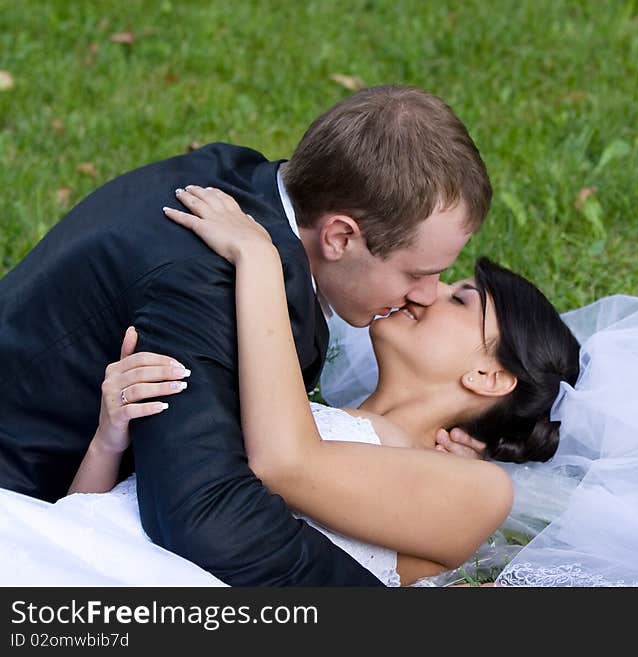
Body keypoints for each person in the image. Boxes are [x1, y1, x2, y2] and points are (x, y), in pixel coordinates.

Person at [0, 85, 492, 586]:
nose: (427, 294)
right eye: (417, 273)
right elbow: (203, 517)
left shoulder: (244, 184)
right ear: (340, 236)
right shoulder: (206, 280)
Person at [57, 185, 581, 586]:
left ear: (489, 376)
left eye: (461, 299)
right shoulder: (288, 409)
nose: (426, 291)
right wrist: (110, 438)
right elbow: (81, 519)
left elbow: (285, 463)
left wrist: (258, 258)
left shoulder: (479, 491)